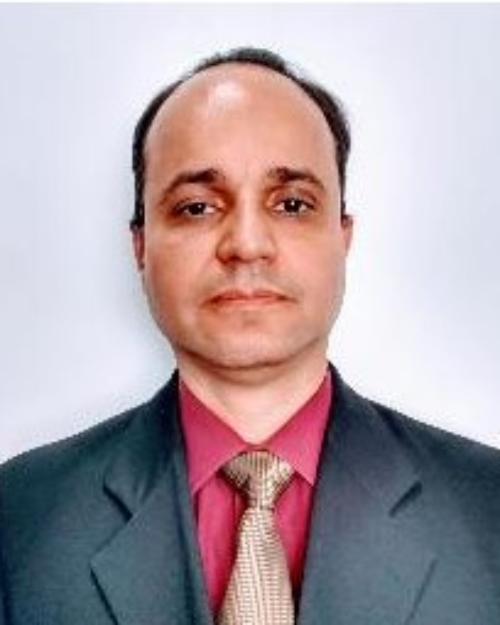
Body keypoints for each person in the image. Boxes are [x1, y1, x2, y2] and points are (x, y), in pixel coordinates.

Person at [1, 47, 500, 625]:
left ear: (343, 238)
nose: (246, 244)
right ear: (140, 247)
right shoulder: (18, 517)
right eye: (196, 208)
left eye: (291, 204)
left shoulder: (487, 507)